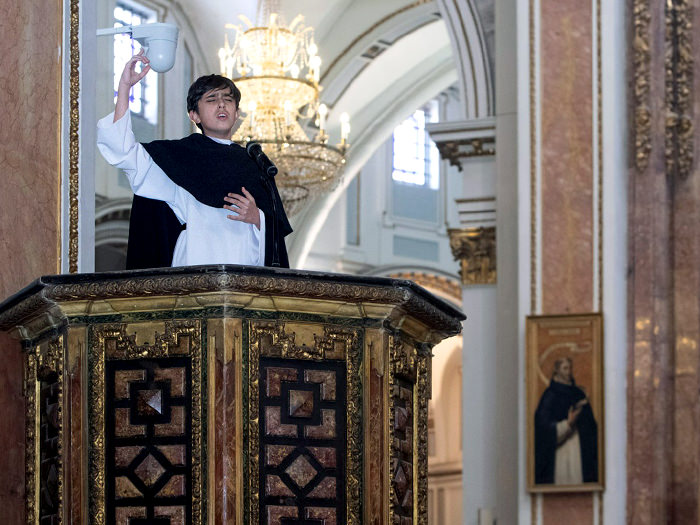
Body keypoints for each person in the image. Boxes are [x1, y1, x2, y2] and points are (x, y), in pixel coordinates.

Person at [97, 50, 292, 269]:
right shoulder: (175, 158)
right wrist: (124, 88)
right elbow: (122, 150)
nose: (221, 105)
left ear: (236, 114)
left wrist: (257, 218)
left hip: (244, 266)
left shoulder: (255, 165)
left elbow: (275, 239)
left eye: (228, 100)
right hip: (195, 262)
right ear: (194, 115)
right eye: (211, 99)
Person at [534, 357, 598, 485]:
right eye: (565, 368)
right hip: (560, 452)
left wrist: (582, 417)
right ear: (557, 371)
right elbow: (542, 428)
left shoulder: (578, 393)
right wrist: (567, 424)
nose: (568, 372)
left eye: (570, 368)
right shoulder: (549, 396)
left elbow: (591, 428)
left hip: (578, 448)